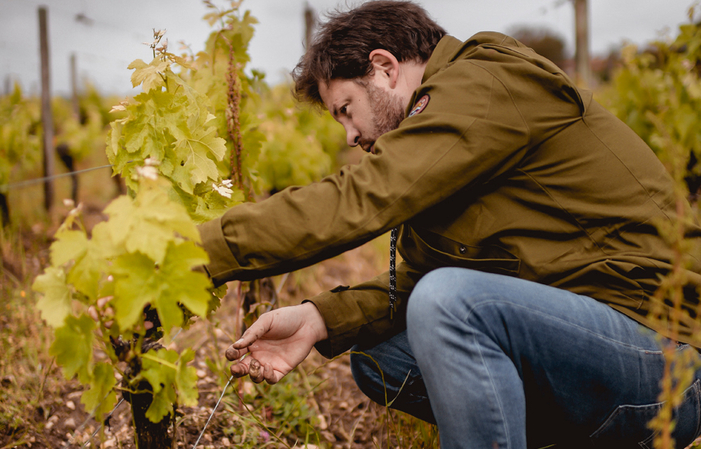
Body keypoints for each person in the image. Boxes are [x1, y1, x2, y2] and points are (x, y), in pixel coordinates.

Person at [196, 1, 701, 447]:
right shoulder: (451, 146)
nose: (350, 137)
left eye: (347, 110)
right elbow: (414, 280)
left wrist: (198, 254)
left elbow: (365, 196)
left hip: (668, 358)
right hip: (601, 347)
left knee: (450, 301)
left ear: (384, 68)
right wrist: (321, 318)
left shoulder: (484, 82)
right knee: (383, 359)